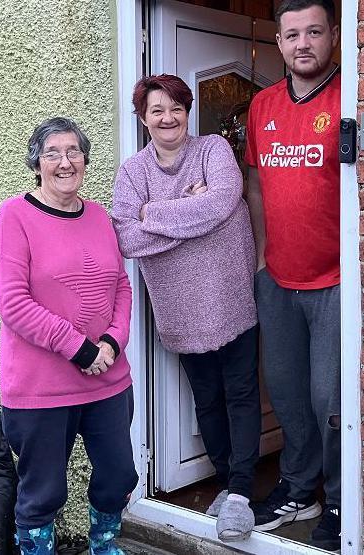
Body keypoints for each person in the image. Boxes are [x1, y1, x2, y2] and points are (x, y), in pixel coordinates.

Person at [111, 74, 261, 542]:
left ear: (187, 111)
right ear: (143, 118)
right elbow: (125, 238)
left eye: (175, 108)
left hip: (231, 296)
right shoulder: (133, 171)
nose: (167, 118)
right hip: (180, 308)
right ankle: (224, 479)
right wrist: (187, 211)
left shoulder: (213, 150)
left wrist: (152, 212)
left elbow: (222, 203)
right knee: (208, 399)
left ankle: (240, 492)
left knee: (240, 394)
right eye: (157, 110)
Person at [0, 117, 138, 555]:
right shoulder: (13, 216)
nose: (64, 162)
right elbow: (13, 304)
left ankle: (104, 545)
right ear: (36, 163)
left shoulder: (97, 215)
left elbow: (122, 287)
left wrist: (112, 341)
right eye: (52, 153)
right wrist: (79, 349)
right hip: (41, 388)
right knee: (44, 490)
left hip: (107, 381)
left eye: (74, 152)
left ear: (85, 160)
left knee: (118, 476)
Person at [243, 0, 342, 550]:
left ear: (331, 36)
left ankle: (339, 498)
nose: (302, 43)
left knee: (328, 399)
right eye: (291, 35)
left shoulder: (350, 96)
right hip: (277, 276)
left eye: (313, 32)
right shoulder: (263, 106)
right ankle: (299, 488)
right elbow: (256, 182)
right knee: (285, 391)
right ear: (278, 43)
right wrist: (261, 253)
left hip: (333, 281)